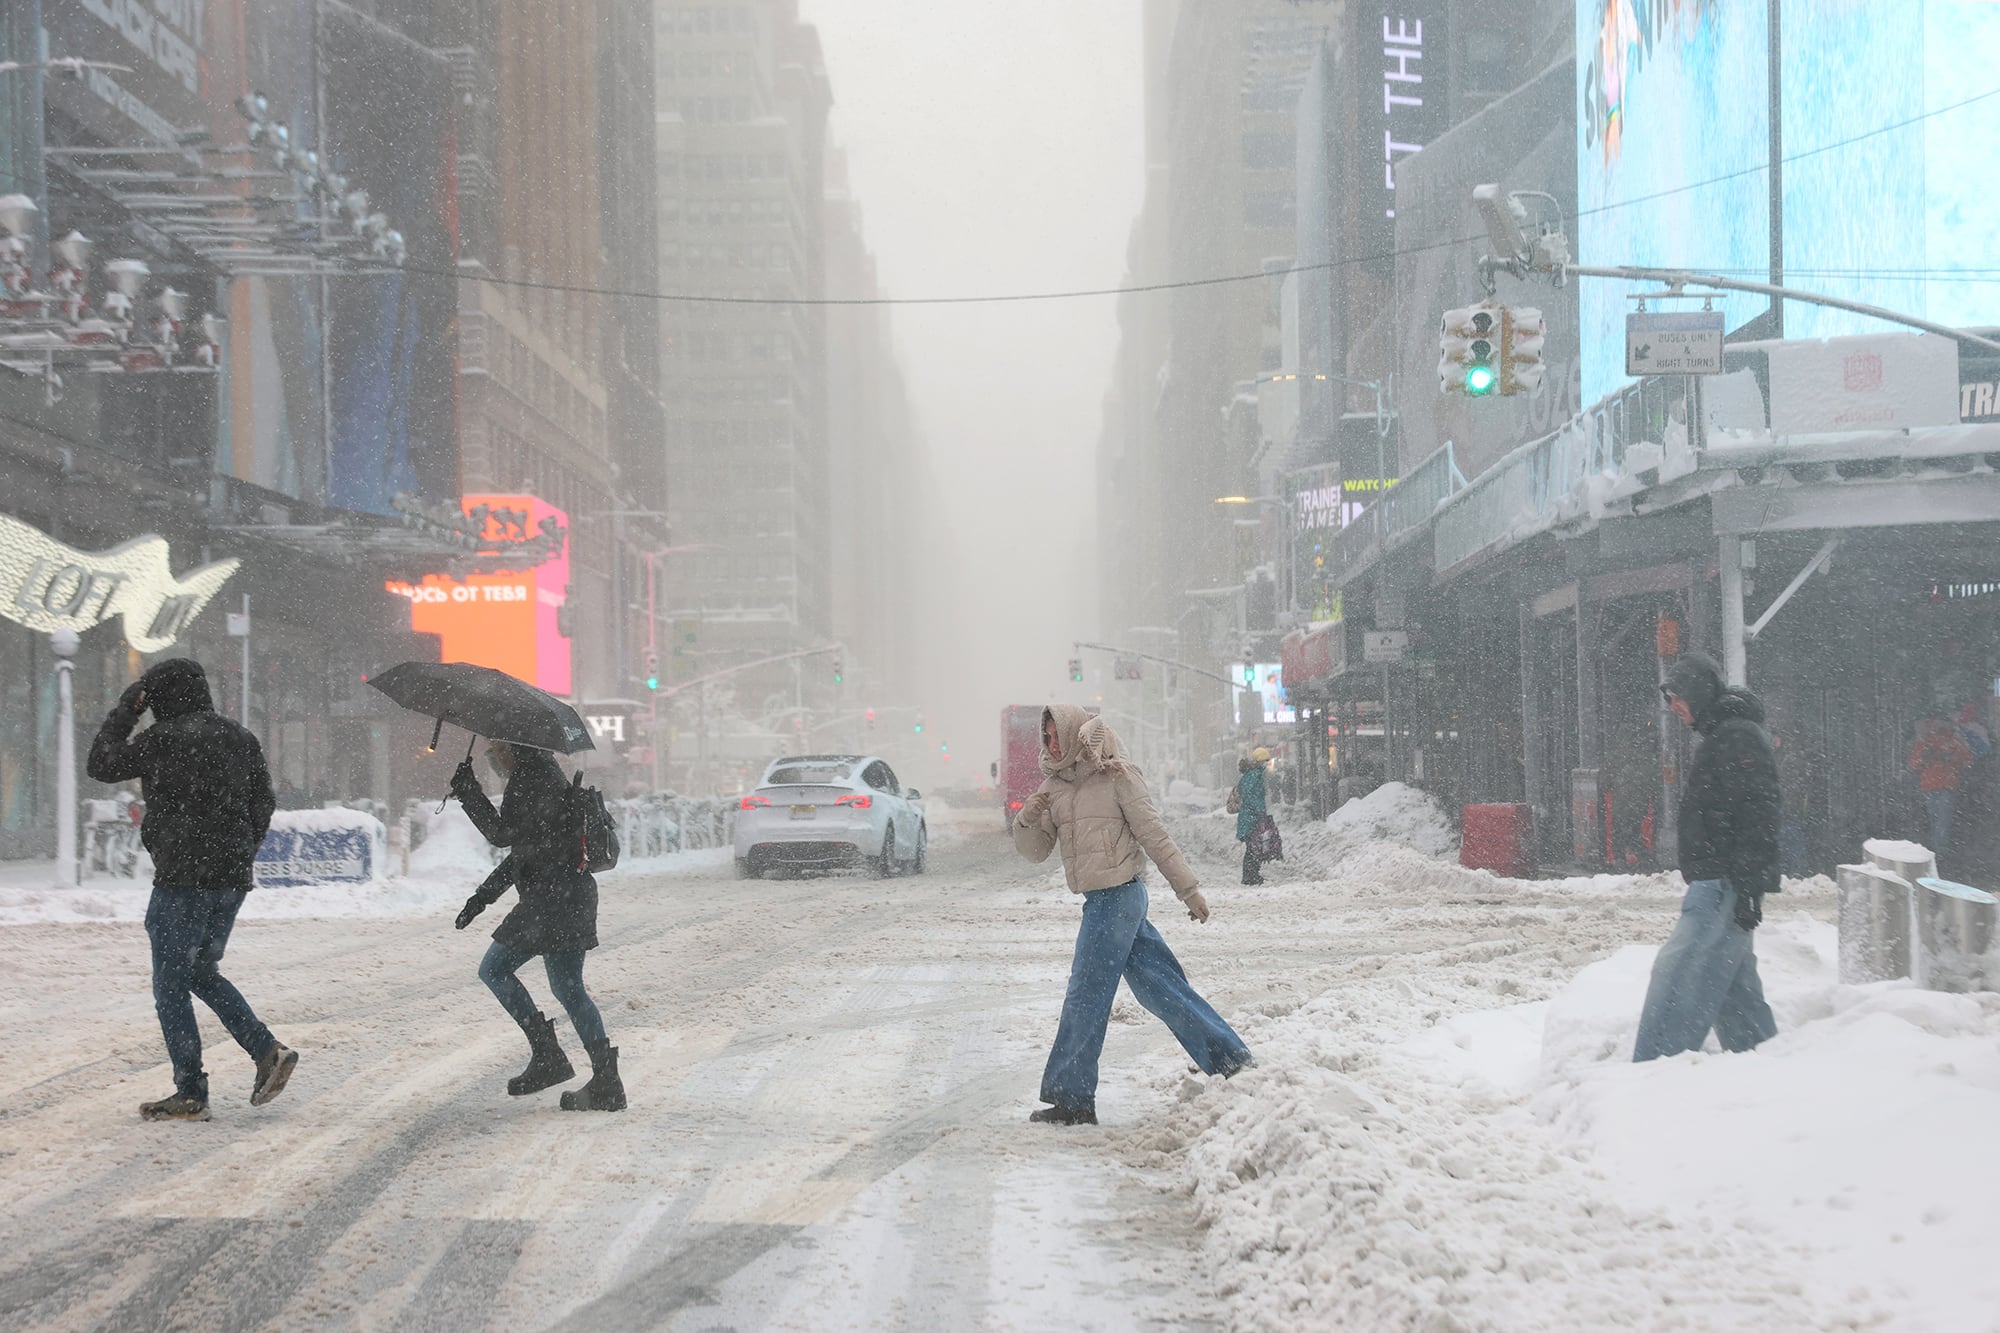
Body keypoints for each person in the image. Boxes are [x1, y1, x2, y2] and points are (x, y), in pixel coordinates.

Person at [1011, 705, 1251, 1125]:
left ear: (1072, 732)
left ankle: (1073, 1099)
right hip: (1105, 903)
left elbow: (1153, 834)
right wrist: (1027, 820)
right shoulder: (1054, 787)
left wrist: (1188, 889)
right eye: (1044, 737)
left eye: (1055, 735)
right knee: (1161, 988)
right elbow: (1036, 852)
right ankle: (1229, 1058)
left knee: (1085, 994)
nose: (1050, 744)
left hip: (1117, 900)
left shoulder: (1116, 775)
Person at [86, 658, 297, 1122]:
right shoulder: (239, 737)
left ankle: (190, 1090)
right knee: (200, 970)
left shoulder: (161, 739)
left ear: (158, 696)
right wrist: (239, 850)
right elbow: (264, 801)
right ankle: (266, 1051)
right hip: (229, 878)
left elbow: (100, 763)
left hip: (182, 878)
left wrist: (126, 710)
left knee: (170, 985)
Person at [452, 741, 625, 1111]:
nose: (495, 759)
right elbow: (523, 853)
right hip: (568, 895)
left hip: (551, 900)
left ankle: (550, 1056)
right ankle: (604, 1079)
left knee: (495, 969)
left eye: (497, 750)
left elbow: (503, 836)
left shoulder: (531, 778)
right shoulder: (544, 776)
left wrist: (468, 792)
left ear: (514, 747)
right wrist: (481, 898)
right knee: (568, 988)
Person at [1633, 653, 1780, 1063]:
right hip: (1725, 878)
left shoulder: (1737, 738)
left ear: (1698, 693)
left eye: (1677, 698)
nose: (1673, 708)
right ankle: (1763, 1062)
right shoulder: (1727, 735)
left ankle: (1653, 1072)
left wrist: (1749, 884)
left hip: (1723, 881)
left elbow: (1759, 812)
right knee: (1734, 989)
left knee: (1679, 975)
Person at [1907, 716, 1973, 861]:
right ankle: (1938, 852)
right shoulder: (1928, 742)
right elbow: (1913, 764)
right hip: (1935, 786)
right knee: (1937, 821)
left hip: (1942, 787)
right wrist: (1925, 758)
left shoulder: (1949, 741)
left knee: (1940, 821)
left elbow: (1966, 760)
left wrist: (1951, 758)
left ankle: (1938, 853)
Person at [1233, 749, 1270, 885]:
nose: (1266, 764)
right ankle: (1250, 876)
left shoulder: (1252, 775)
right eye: (1265, 761)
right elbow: (1250, 796)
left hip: (1250, 816)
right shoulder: (1254, 775)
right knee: (1253, 847)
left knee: (1253, 847)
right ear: (1259, 761)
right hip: (1251, 817)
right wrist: (1260, 811)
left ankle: (1251, 875)